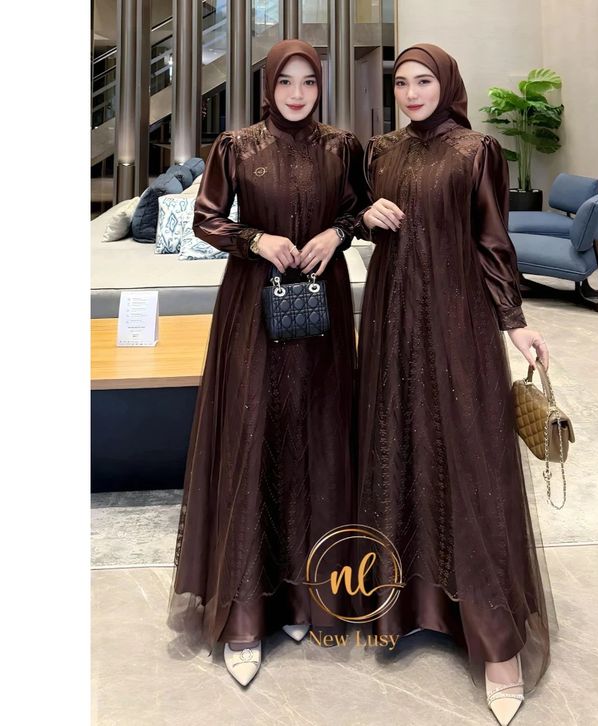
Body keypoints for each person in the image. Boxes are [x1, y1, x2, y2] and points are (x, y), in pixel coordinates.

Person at [354, 44, 552, 725]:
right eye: (401, 82)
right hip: (390, 319)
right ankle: (408, 607)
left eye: (424, 81)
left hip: (456, 320)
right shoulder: (380, 151)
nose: (411, 92)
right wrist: (364, 217)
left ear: (447, 84)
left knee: (470, 458)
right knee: (399, 447)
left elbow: (492, 240)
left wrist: (514, 322)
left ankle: (497, 643)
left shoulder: (476, 151)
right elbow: (353, 212)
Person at [167, 39, 364, 688]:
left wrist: (337, 233)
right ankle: (246, 614)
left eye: (309, 81)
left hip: (322, 307)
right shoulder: (236, 146)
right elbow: (205, 220)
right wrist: (255, 238)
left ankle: (306, 596)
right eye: (286, 81)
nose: (298, 93)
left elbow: (360, 210)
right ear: (268, 85)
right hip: (254, 306)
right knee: (255, 436)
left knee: (317, 437)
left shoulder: (343, 147)